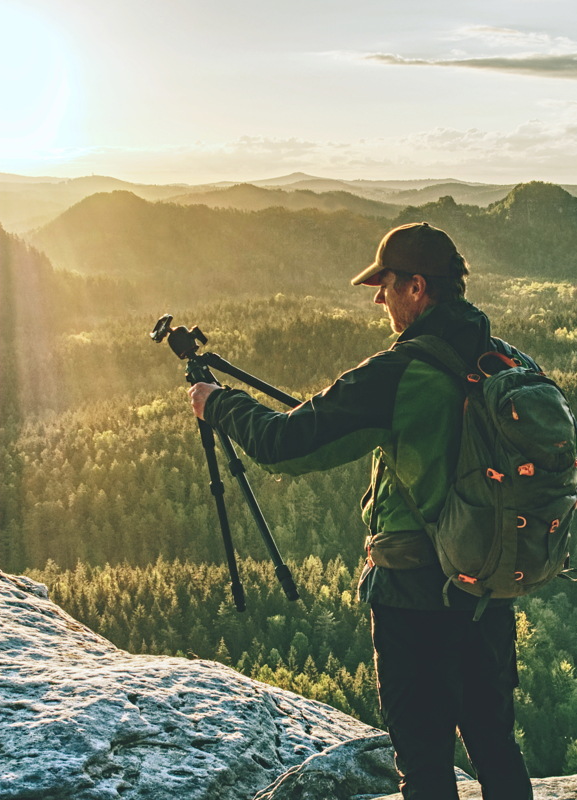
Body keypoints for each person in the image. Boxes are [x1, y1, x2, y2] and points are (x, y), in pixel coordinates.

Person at [187, 221, 536, 800]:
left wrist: (218, 405)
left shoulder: (400, 372)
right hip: (487, 589)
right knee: (496, 746)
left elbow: (282, 445)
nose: (378, 296)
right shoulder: (501, 358)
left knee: (424, 764)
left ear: (418, 287)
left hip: (411, 597)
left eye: (386, 284)